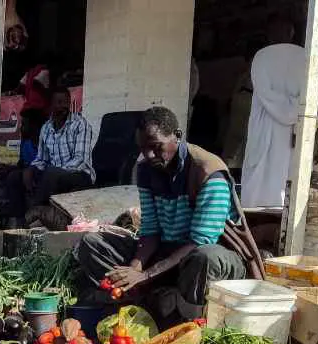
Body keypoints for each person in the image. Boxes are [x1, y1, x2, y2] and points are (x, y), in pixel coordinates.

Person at [77, 107, 264, 327]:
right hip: (169, 251)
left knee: (205, 257)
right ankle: (142, 302)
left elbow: (200, 241)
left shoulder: (208, 172)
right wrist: (135, 268)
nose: (149, 155)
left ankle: (188, 320)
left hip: (209, 257)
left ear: (177, 135)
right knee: (93, 243)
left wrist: (146, 275)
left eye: (156, 147)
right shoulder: (146, 170)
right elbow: (150, 231)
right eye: (143, 148)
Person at [2, 88, 94, 224]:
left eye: (66, 102)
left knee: (51, 173)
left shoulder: (80, 124)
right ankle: (17, 221)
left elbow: (80, 160)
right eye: (58, 102)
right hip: (54, 175)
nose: (63, 106)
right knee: (15, 177)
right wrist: (31, 169)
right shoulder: (46, 128)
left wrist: (54, 171)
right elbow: (41, 159)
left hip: (80, 174)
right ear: (50, 106)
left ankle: (32, 214)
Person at [241, 22, 306, 208]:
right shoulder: (305, 56)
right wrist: (295, 108)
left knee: (259, 184)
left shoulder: (261, 57)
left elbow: (263, 91)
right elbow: (310, 95)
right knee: (288, 175)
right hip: (294, 127)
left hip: (266, 126)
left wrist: (282, 108)